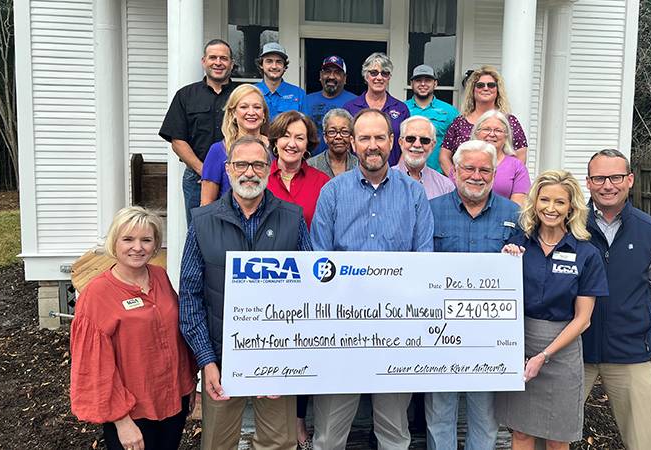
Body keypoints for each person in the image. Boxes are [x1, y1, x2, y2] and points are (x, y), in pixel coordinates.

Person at [310, 108, 434, 450]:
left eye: (380, 137)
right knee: (328, 435)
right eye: (364, 138)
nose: (372, 145)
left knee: (394, 433)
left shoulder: (414, 195)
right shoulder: (332, 193)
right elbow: (319, 261)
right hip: (341, 329)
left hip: (397, 330)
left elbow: (423, 262)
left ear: (391, 142)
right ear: (352, 143)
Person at [179, 135, 312, 450]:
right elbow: (189, 298)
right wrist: (206, 360)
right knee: (217, 444)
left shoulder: (292, 219)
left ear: (270, 168)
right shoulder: (202, 222)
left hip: (278, 358)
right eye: (241, 164)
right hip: (221, 358)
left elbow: (310, 294)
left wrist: (289, 359)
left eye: (257, 164)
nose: (249, 172)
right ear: (227, 169)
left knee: (278, 443)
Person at [495, 170, 609, 450]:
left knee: (558, 437)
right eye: (544, 199)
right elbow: (499, 295)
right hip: (520, 344)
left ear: (571, 207)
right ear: (534, 202)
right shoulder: (517, 243)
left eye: (559, 202)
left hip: (562, 350)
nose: (551, 208)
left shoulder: (586, 253)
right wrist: (505, 263)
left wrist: (544, 355)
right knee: (521, 433)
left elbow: (583, 320)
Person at [70, 206, 196, 450]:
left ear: (155, 244)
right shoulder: (97, 295)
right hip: (133, 412)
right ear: (114, 242)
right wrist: (121, 420)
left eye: (146, 240)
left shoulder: (159, 276)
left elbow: (175, 335)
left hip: (172, 401)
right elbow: (94, 366)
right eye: (128, 239)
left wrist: (188, 383)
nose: (137, 247)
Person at [426, 140, 520, 450]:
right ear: (454, 171)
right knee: (440, 412)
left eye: (484, 170)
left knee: (484, 416)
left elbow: (526, 269)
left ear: (494, 174)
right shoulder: (431, 209)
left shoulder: (514, 214)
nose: (476, 176)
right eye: (469, 168)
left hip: (489, 336)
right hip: (439, 332)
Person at [582, 149, 651, 450]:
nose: (608, 185)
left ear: (629, 179)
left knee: (644, 440)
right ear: (588, 182)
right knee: (549, 433)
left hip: (630, 350)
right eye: (599, 178)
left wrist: (633, 315)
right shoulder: (571, 227)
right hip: (575, 349)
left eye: (616, 177)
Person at [159, 39, 237, 224]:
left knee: (237, 230)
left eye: (224, 58)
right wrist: (205, 171)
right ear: (204, 61)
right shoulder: (185, 95)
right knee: (200, 230)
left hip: (237, 175)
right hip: (197, 177)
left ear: (231, 64)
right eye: (213, 57)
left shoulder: (241, 94)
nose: (218, 62)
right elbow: (177, 140)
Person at [440, 65, 529, 175]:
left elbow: (521, 154)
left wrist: (506, 180)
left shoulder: (510, 121)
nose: (486, 88)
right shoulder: (459, 122)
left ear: (498, 90)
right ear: (473, 90)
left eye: (491, 85)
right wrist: (456, 179)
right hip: (464, 186)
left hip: (501, 186)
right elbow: (444, 156)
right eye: (480, 85)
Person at [200, 84, 270, 205]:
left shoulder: (275, 149)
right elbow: (206, 203)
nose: (251, 112)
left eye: (257, 107)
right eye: (244, 107)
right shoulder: (218, 151)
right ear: (233, 114)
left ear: (264, 114)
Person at [343, 53, 410, 167]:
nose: (379, 78)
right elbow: (345, 144)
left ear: (389, 77)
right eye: (374, 73)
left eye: (384, 73)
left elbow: (408, 143)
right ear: (365, 76)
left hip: (392, 175)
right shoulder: (350, 108)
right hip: (357, 174)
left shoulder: (401, 109)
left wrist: (397, 171)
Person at [267, 111, 331, 228]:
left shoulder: (323, 182)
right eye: (286, 136)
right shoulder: (261, 180)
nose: (292, 144)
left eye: (299, 138)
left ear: (307, 144)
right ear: (276, 141)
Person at [404, 64, 459, 174]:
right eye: (418, 80)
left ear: (435, 84)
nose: (423, 84)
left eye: (428, 80)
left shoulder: (450, 111)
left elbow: (457, 146)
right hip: (406, 175)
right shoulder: (402, 109)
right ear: (411, 84)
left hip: (439, 175)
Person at [470, 109, 531, 206]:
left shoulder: (517, 166)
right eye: (486, 129)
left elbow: (517, 207)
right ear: (477, 133)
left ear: (506, 136)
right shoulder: (462, 162)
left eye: (498, 130)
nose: (492, 134)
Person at [304, 56, 357, 155]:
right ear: (320, 76)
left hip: (344, 165)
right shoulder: (306, 100)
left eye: (337, 72)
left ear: (345, 78)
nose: (331, 76)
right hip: (310, 164)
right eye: (327, 71)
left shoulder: (354, 103)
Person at [393, 115, 454, 200]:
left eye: (424, 140)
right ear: (401, 142)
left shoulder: (445, 186)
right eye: (410, 139)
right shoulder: (383, 181)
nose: (417, 145)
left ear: (432, 145)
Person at [255, 42, 305, 117]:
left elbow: (305, 125)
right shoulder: (251, 92)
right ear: (261, 65)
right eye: (269, 61)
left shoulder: (298, 94)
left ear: (284, 67)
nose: (274, 66)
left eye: (279, 62)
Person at [308, 108, 359, 178]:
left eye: (344, 132)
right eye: (332, 132)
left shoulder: (359, 165)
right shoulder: (311, 166)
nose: (338, 137)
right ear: (325, 137)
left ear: (351, 137)